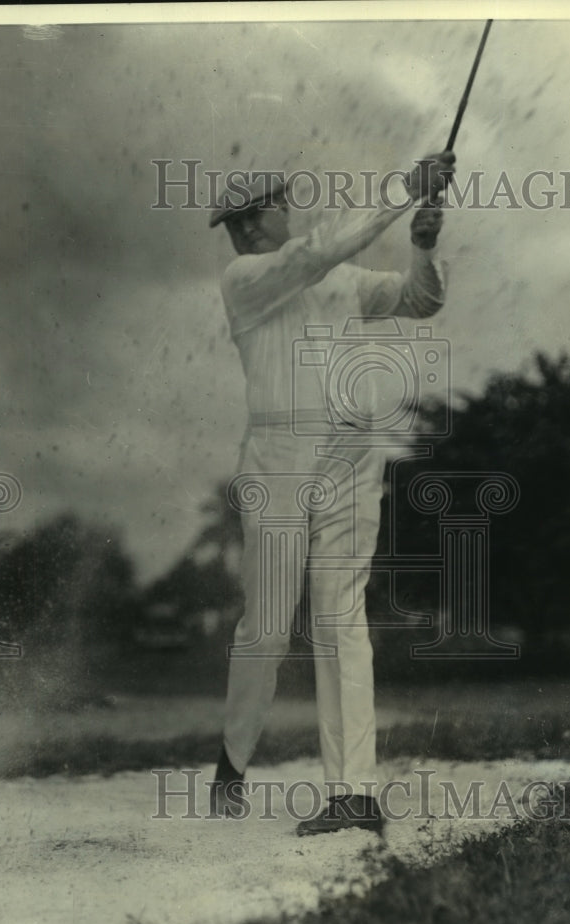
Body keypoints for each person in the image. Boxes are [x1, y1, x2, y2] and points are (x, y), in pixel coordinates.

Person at [209, 152, 455, 835]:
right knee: (265, 621)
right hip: (277, 455)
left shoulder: (339, 278)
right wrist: (407, 187)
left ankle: (354, 794)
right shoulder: (247, 278)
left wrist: (424, 243)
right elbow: (314, 255)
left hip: (350, 449)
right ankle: (233, 758)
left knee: (339, 613)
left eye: (245, 217)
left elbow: (421, 299)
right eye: (238, 221)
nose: (239, 232)